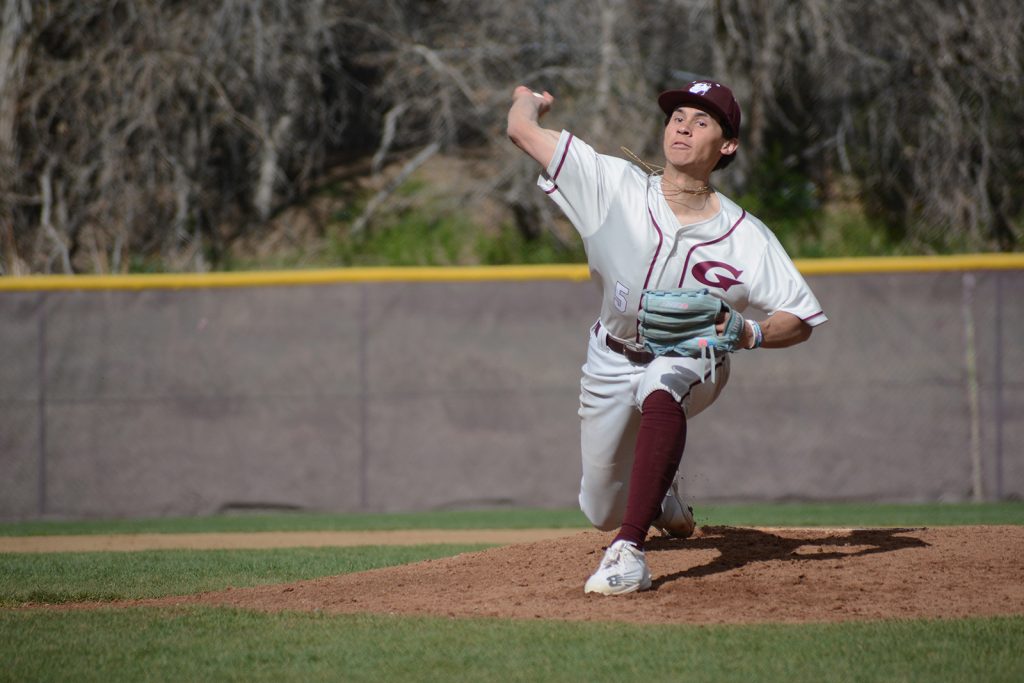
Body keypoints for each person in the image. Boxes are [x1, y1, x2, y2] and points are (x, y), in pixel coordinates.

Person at [506, 79, 828, 595]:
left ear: (728, 145)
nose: (683, 126)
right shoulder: (612, 184)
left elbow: (801, 318)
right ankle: (656, 498)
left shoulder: (746, 236)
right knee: (600, 509)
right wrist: (530, 100)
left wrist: (748, 332)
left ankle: (629, 552)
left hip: (694, 356)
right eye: (677, 117)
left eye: (702, 121)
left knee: (664, 382)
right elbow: (522, 130)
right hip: (610, 357)